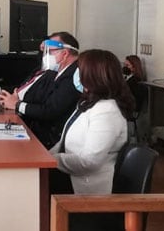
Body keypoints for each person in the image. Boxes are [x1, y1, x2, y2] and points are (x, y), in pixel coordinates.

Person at [49, 49, 134, 231]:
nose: (76, 75)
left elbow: (89, 162)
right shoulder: (88, 103)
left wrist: (51, 161)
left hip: (86, 187)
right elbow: (63, 142)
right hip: (69, 173)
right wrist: (46, 157)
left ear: (93, 75)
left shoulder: (107, 111)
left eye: (79, 70)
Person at [0, 31, 81, 148]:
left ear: (65, 53)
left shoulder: (72, 75)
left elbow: (50, 111)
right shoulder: (60, 72)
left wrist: (17, 104)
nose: (46, 56)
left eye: (50, 52)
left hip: (51, 139)